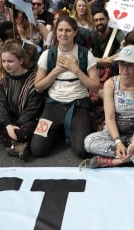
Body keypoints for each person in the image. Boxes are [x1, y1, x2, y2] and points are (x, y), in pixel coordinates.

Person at [83, 46, 134, 168]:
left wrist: (133, 145)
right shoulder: (110, 84)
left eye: (130, 65)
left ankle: (112, 161)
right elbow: (109, 118)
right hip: (113, 133)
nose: (124, 69)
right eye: (122, 63)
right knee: (88, 142)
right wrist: (118, 142)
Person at [32, 15, 100, 158]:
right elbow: (38, 87)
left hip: (78, 104)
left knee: (82, 151)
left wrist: (75, 69)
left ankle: (65, 129)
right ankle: (59, 130)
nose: (63, 34)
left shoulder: (86, 54)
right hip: (53, 105)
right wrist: (56, 70)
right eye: (60, 30)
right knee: (37, 149)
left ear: (75, 32)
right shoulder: (47, 54)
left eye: (68, 30)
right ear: (56, 32)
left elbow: (95, 87)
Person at [0, 40, 43, 160]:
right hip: (8, 119)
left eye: (10, 61)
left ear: (21, 60)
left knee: (29, 129)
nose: (6, 65)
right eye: (3, 61)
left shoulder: (33, 79)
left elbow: (33, 109)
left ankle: (0, 137)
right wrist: (8, 125)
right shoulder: (2, 78)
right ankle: (15, 145)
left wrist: (16, 125)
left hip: (25, 119)